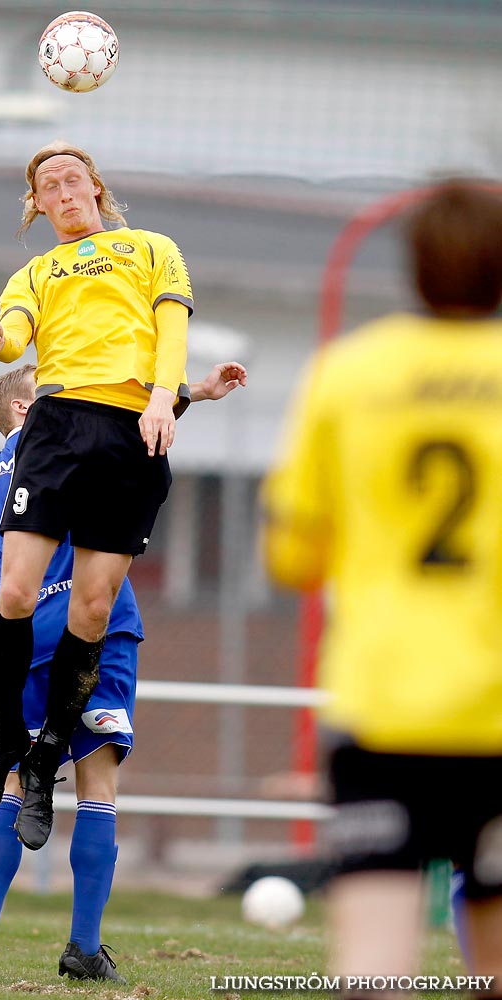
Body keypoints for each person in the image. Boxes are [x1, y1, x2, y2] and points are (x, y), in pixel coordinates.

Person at [0, 360, 245, 984]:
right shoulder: (68, 449)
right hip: (95, 637)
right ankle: (82, 947)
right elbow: (134, 433)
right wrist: (196, 393)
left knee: (10, 785)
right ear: (28, 412)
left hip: (22, 646)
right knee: (97, 786)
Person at [260, 181, 502, 993]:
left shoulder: (349, 372)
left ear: (414, 265)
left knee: (373, 970)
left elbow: (293, 558)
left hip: (383, 707)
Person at [0, 141, 195, 851]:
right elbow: (15, 339)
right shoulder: (35, 272)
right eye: (47, 186)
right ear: (37, 205)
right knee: (16, 593)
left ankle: (44, 759)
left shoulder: (152, 248)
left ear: (95, 187)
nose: (62, 191)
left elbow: (171, 326)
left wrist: (164, 398)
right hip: (59, 426)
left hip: (131, 430)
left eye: (72, 179)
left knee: (93, 608)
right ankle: (7, 739)